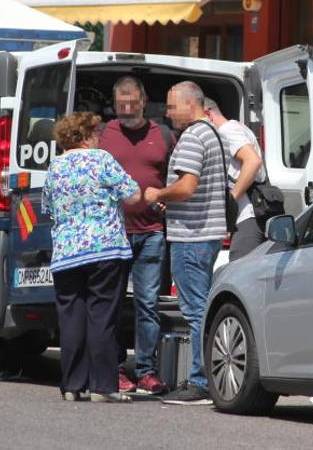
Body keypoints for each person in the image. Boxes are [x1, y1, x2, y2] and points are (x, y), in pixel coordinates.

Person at [43, 111, 140, 403]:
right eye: (96, 133)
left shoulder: (54, 167)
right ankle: (102, 386)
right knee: (102, 317)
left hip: (67, 253)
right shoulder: (101, 160)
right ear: (86, 137)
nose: (99, 138)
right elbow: (133, 194)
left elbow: (48, 209)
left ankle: (72, 385)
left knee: (71, 318)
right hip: (104, 249)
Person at [143, 81, 226, 405]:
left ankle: (200, 382)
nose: (167, 112)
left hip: (192, 236)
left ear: (191, 104)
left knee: (195, 311)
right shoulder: (210, 133)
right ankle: (206, 378)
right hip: (203, 233)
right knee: (200, 307)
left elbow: (188, 186)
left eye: (172, 105)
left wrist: (159, 194)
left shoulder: (193, 136)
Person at [98, 76, 173, 396]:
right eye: (120, 105)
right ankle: (113, 369)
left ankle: (146, 371)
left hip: (152, 232)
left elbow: (175, 175)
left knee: (147, 304)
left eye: (132, 104)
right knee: (111, 304)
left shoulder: (163, 135)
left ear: (144, 102)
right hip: (113, 232)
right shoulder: (103, 134)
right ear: (115, 105)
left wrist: (169, 201)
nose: (127, 110)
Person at [203, 97, 266, 261]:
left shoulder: (227, 131)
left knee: (240, 274)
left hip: (246, 216)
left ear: (207, 113)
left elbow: (253, 161)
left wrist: (231, 200)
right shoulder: (237, 127)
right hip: (250, 215)